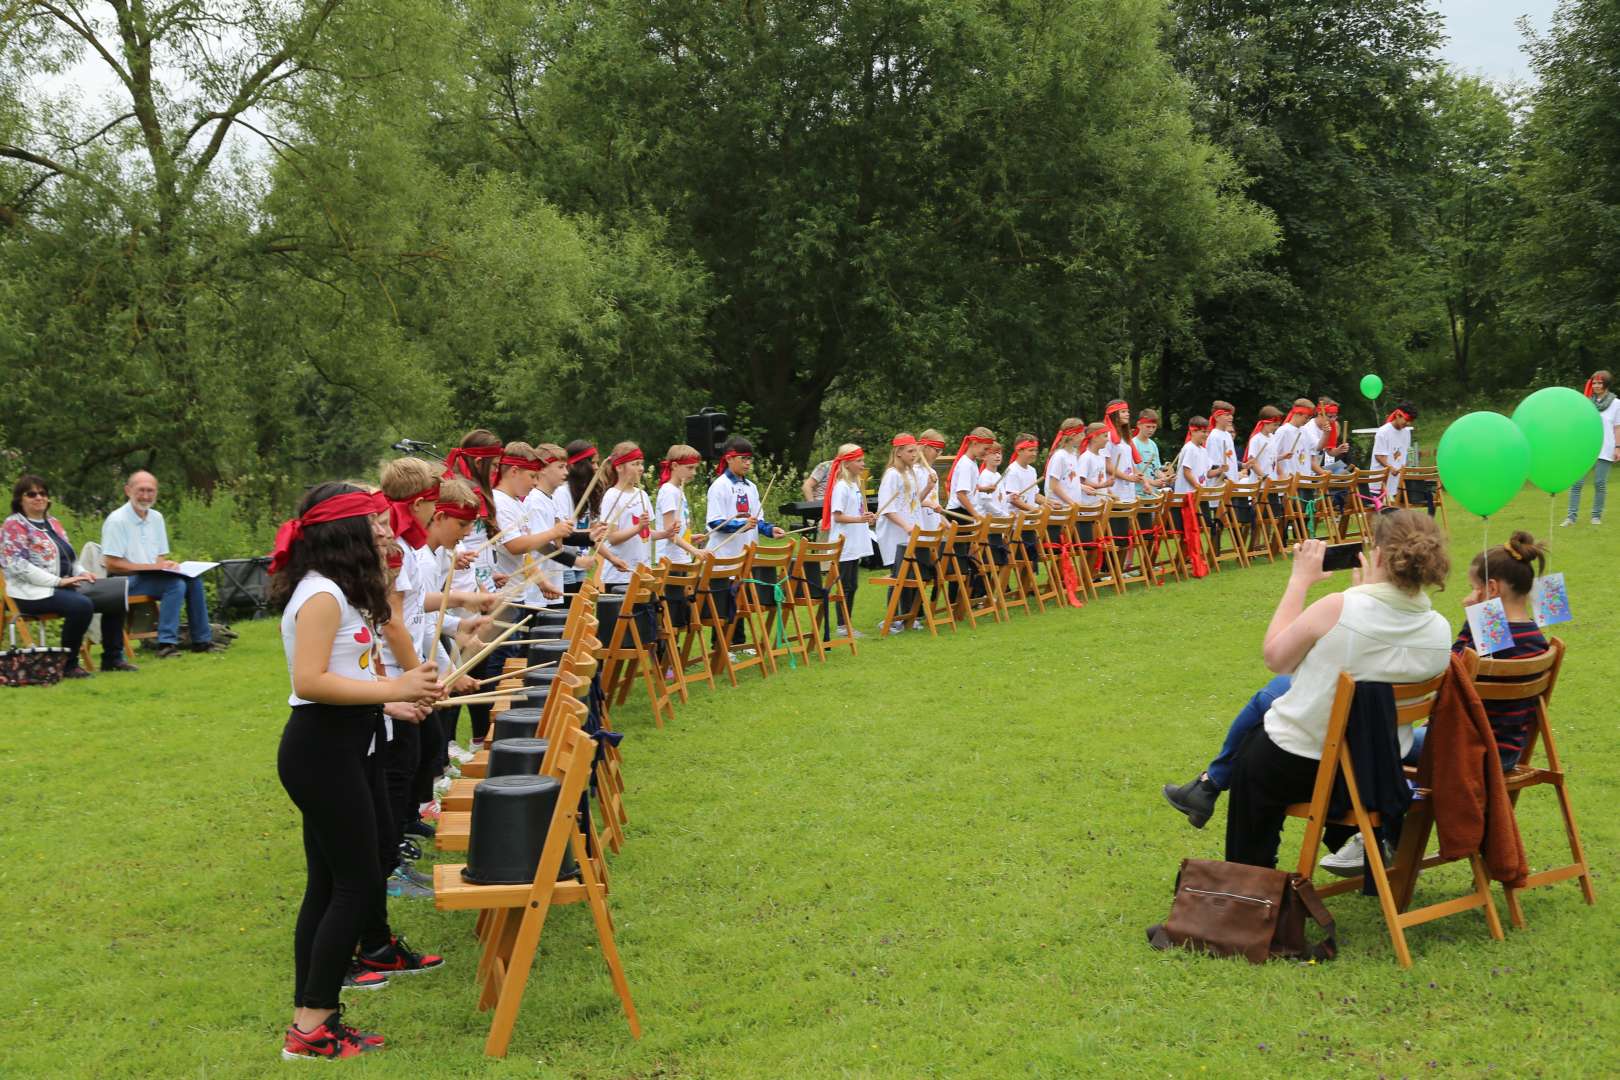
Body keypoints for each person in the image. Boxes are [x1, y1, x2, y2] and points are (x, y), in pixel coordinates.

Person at [271, 482, 444, 1061]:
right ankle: (311, 1026)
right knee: (358, 882)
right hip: (321, 752)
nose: (385, 532)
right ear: (344, 533)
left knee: (331, 884)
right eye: (374, 523)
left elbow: (349, 674)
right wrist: (395, 688)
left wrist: (390, 703)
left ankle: (312, 1020)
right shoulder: (321, 595)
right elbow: (309, 682)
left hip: (347, 743)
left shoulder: (340, 591)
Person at [1162, 512, 1453, 848]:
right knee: (1274, 697)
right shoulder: (1440, 630)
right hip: (1377, 767)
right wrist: (1365, 595)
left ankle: (1246, 857)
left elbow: (1276, 658)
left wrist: (1299, 582)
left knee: (1256, 749)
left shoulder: (1339, 608)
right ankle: (1210, 787)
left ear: (1377, 555)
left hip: (1313, 763)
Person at [1319, 530, 1554, 875]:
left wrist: (1471, 623)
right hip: (1510, 750)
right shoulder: (1536, 638)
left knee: (1379, 744)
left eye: (1473, 588)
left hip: (1469, 751)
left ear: (1491, 589)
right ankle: (1378, 839)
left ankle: (1384, 839)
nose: (1466, 597)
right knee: (1393, 742)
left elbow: (1445, 678)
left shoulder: (1487, 637)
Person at [3, 475, 136, 676]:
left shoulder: (53, 523)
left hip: (65, 586)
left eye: (42, 493)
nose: (38, 497)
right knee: (81, 605)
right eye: (31, 494)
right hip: (30, 592)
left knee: (116, 593)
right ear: (20, 499)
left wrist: (82, 573)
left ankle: (112, 658)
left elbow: (71, 559)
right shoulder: (14, 525)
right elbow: (18, 566)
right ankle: (68, 664)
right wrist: (59, 581)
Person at [100, 471, 222, 657]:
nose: (146, 496)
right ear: (128, 491)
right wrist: (153, 568)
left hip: (150, 577)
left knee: (194, 580)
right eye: (141, 490)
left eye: (150, 491)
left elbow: (159, 557)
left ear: (156, 492)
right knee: (175, 585)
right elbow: (112, 564)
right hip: (123, 582)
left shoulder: (156, 518)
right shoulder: (117, 520)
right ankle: (166, 644)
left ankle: (202, 641)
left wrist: (167, 566)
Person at [822, 444, 875, 638]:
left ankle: (846, 623)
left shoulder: (854, 485)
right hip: (844, 543)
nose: (863, 464)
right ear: (847, 463)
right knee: (845, 586)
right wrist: (860, 519)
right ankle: (842, 626)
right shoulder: (841, 487)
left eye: (862, 460)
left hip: (855, 541)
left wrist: (867, 517)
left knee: (853, 585)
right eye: (859, 461)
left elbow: (857, 512)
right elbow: (838, 516)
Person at [874, 434, 926, 633]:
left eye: (916, 451)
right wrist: (906, 526)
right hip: (896, 533)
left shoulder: (910, 474)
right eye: (910, 451)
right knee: (898, 577)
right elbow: (887, 509)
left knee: (910, 576)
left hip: (910, 531)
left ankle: (908, 618)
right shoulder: (892, 475)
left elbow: (913, 502)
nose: (914, 455)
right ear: (898, 452)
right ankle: (891, 619)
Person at [1564, 370, 1618, 526]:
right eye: (1594, 383)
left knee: (1600, 483)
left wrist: (1618, 447)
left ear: (1606, 384)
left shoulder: (1616, 404)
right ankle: (1571, 517)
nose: (1596, 386)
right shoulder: (1586, 402)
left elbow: (1617, 427)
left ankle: (1596, 517)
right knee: (1576, 483)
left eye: (1600, 383)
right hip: (1585, 447)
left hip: (1605, 446)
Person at [1372, 403, 1417, 507]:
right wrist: (1391, 468)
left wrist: (1404, 467)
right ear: (1397, 415)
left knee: (1398, 510)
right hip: (1380, 479)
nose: (1408, 423)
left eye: (1411, 421)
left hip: (1397, 480)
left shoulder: (1407, 433)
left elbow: (1404, 453)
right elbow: (1379, 456)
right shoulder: (1383, 431)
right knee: (1376, 511)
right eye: (1407, 420)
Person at [1132, 411, 1167, 496]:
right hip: (1138, 493)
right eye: (1148, 426)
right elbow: (1134, 471)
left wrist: (1164, 478)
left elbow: (1156, 469)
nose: (1151, 430)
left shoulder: (1153, 444)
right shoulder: (1133, 444)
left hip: (1152, 492)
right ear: (1139, 425)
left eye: (1154, 427)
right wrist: (1153, 482)